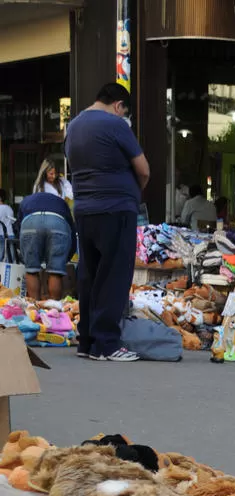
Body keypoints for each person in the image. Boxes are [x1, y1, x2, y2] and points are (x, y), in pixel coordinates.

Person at [65, 81, 150, 363]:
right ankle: (107, 344)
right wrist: (132, 194)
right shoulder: (116, 125)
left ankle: (87, 341)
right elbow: (144, 169)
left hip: (85, 209)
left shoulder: (74, 126)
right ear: (118, 106)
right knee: (113, 276)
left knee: (90, 275)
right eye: (123, 111)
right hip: (116, 209)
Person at [16, 188, 76, 300]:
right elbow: (71, 229)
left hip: (30, 222)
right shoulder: (60, 201)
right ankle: (54, 310)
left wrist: (23, 251)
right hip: (57, 222)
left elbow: (18, 227)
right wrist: (66, 256)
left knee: (31, 271)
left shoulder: (27, 200)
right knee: (55, 272)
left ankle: (34, 309)